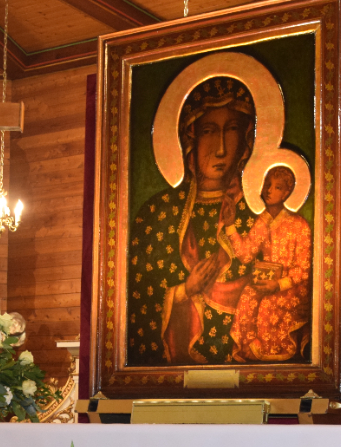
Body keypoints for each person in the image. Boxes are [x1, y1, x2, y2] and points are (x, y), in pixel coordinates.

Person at [127, 76, 260, 365]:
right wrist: (185, 290)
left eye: (232, 129)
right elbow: (135, 307)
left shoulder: (256, 217)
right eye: (210, 131)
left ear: (247, 138)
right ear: (191, 138)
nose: (221, 148)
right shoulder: (157, 214)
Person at [226, 165, 312, 362]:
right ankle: (249, 351)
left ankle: (269, 352)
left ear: (288, 192)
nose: (269, 190)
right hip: (267, 282)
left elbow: (304, 269)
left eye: (277, 187)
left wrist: (279, 285)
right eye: (267, 184)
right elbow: (246, 255)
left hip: (291, 288)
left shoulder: (299, 224)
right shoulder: (262, 222)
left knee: (268, 303)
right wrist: (230, 225)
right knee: (248, 296)